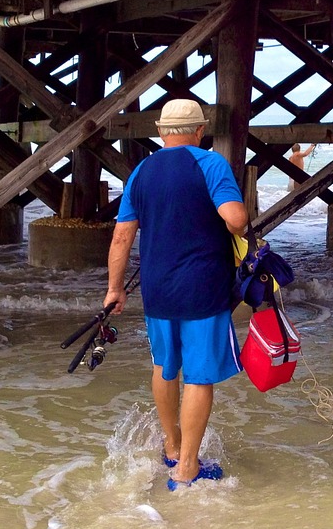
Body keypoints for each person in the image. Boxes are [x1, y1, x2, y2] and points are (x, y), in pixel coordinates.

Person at [105, 99, 248, 491]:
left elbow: (122, 235)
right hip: (202, 288)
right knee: (199, 376)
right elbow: (236, 220)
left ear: (160, 130)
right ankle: (186, 469)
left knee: (164, 366)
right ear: (200, 131)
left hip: (157, 288)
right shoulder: (210, 163)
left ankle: (172, 446)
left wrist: (115, 288)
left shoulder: (141, 171)